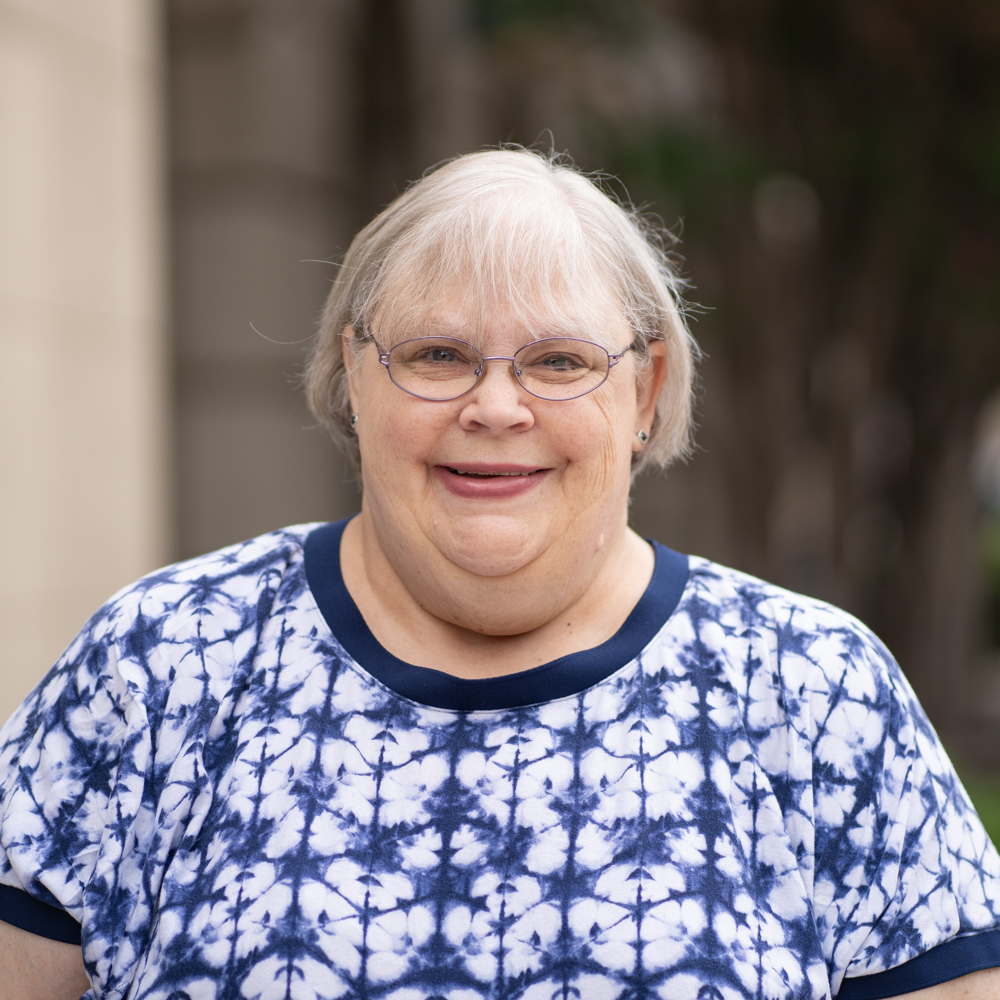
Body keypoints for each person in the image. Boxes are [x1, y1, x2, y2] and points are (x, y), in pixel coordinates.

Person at [1, 149, 999, 1000]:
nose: (495, 406)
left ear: (644, 390)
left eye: (559, 361)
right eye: (437, 354)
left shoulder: (814, 691)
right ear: (355, 374)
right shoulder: (162, 662)